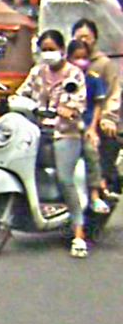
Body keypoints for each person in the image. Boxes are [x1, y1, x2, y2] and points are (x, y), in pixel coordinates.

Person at [16, 30, 88, 258]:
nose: (48, 53)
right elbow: (22, 94)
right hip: (38, 132)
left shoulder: (74, 75)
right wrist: (7, 100)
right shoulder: (37, 72)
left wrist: (68, 111)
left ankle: (79, 234)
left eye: (51, 49)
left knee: (65, 179)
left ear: (62, 50)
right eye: (44, 49)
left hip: (65, 134)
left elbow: (79, 104)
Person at [72, 18, 122, 197]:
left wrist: (108, 118)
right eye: (79, 37)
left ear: (95, 38)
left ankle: (106, 184)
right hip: (72, 118)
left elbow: (113, 93)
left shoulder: (103, 64)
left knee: (105, 141)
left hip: (97, 118)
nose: (84, 40)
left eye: (87, 37)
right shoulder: (67, 65)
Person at [67, 39, 111, 214]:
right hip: (62, 126)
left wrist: (92, 128)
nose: (81, 62)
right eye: (77, 58)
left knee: (90, 152)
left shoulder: (93, 79)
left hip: (83, 126)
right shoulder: (63, 77)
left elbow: (98, 105)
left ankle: (94, 195)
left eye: (84, 58)